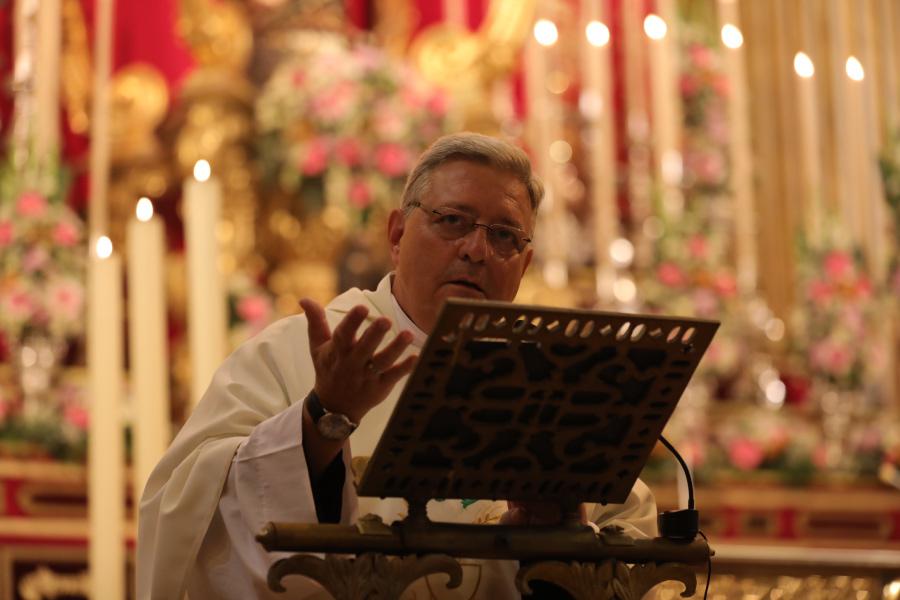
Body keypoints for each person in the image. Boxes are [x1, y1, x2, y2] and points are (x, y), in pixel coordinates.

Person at [137, 133, 657, 600]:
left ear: (522, 265)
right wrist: (322, 420)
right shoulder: (295, 353)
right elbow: (187, 507)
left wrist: (562, 534)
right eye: (452, 221)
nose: (476, 250)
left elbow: (631, 534)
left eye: (503, 235)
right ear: (396, 235)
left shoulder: (558, 382)